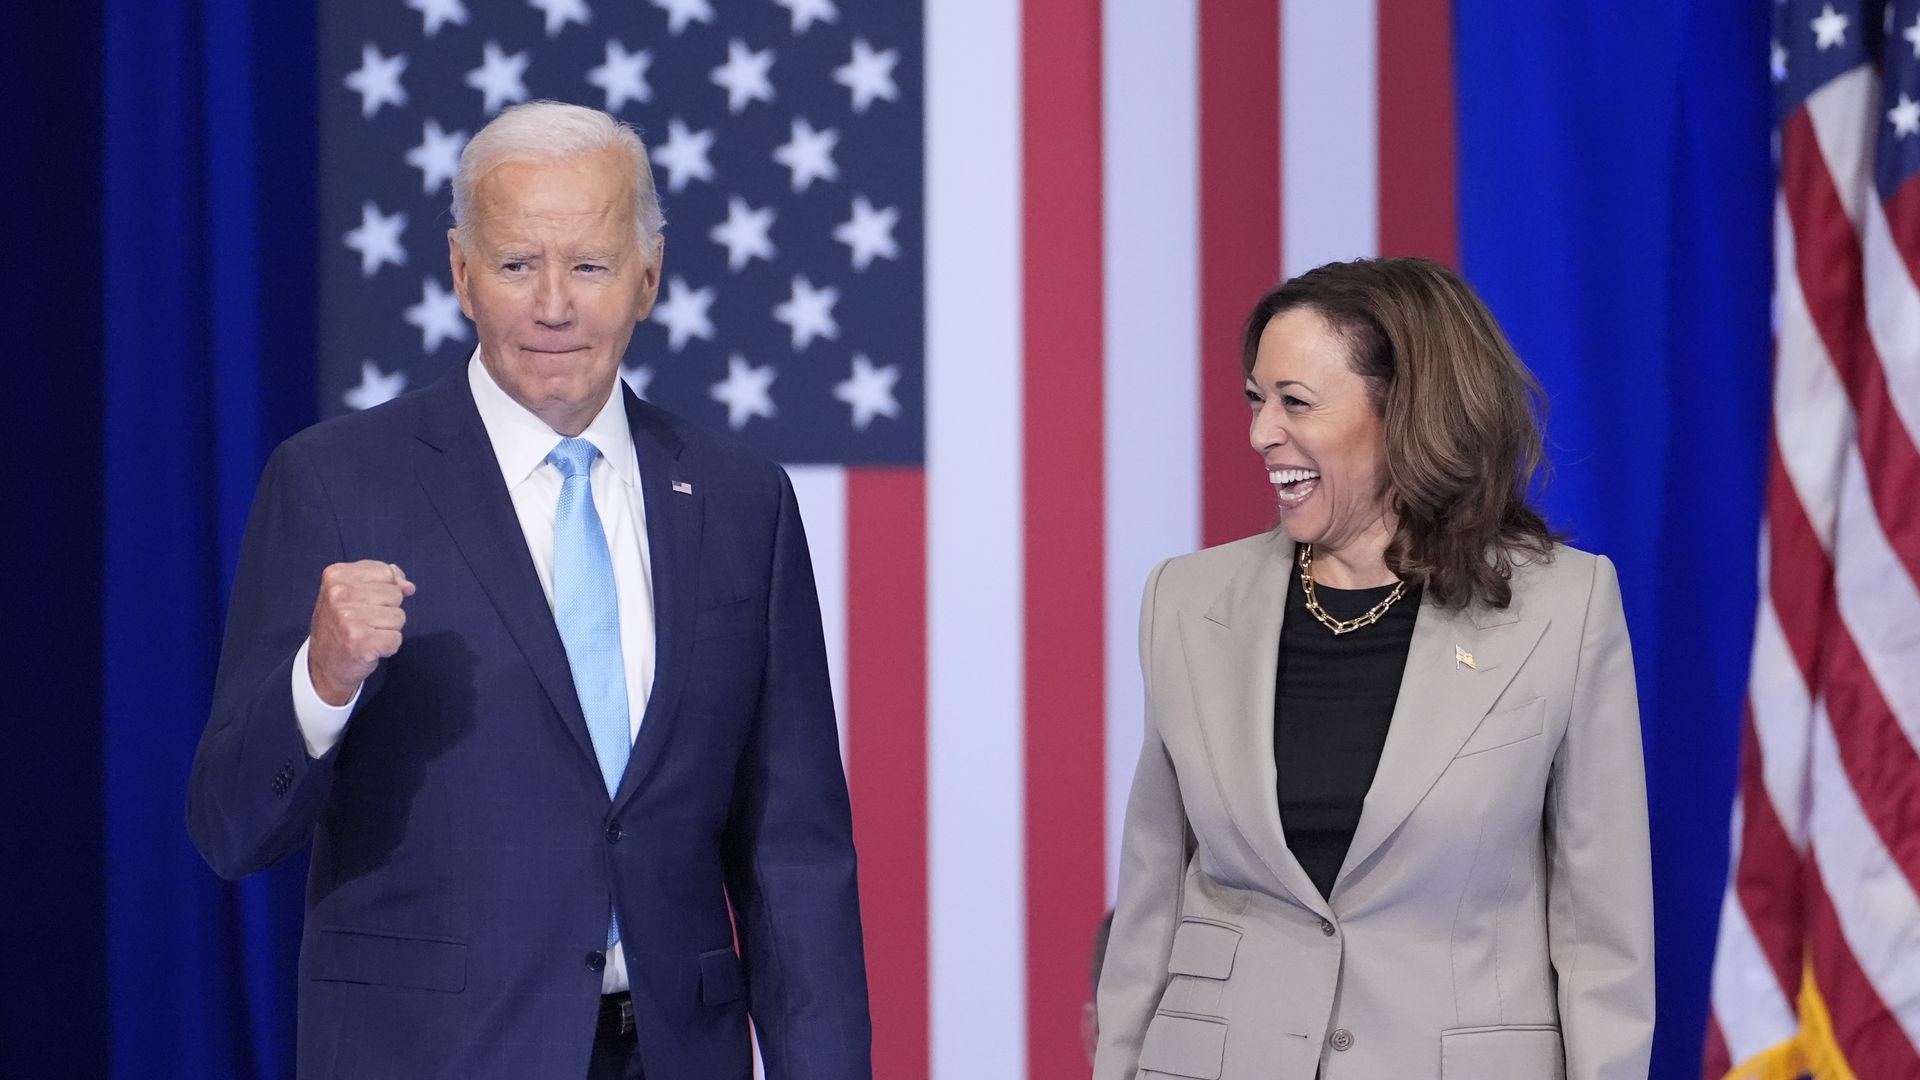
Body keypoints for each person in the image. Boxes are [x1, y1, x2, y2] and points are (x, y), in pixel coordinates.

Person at [186, 101, 871, 1080]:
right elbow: (229, 826)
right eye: (516, 266)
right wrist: (321, 679)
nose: (554, 305)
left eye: (589, 266)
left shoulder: (739, 498)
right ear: (462, 274)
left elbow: (793, 859)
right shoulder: (337, 482)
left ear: (649, 275)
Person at [1094, 258, 1653, 1080]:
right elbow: (1151, 910)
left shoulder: (1564, 609)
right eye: (1257, 399)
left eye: (1295, 402)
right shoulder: (1186, 600)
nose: (1260, 433)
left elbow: (1602, 941)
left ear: (1404, 413)